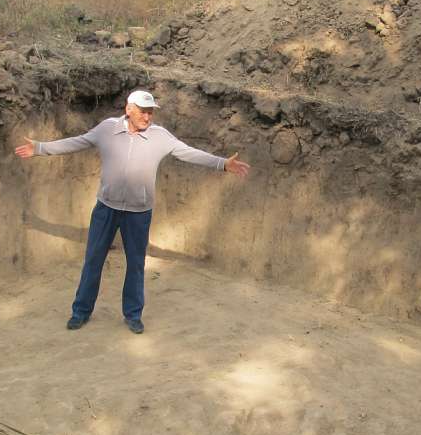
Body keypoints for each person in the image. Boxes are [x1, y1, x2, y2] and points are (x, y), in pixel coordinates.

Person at [15, 90, 250, 334]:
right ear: (129, 109)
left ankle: (133, 315)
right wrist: (40, 148)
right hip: (106, 209)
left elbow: (189, 153)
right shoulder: (107, 129)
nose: (147, 117)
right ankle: (81, 312)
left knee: (136, 264)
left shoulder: (160, 136)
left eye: (150, 112)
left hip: (139, 213)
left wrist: (222, 164)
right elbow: (77, 142)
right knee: (93, 261)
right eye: (143, 112)